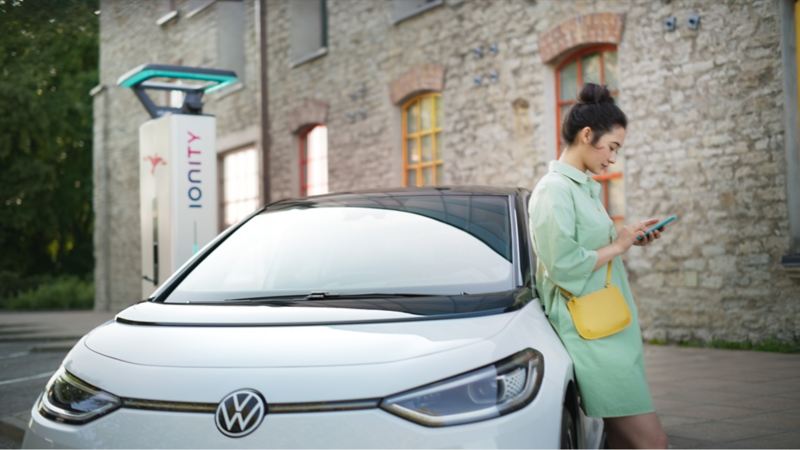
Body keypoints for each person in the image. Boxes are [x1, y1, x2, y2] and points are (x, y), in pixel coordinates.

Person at [528, 83, 669, 449]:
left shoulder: (582, 188)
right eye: (612, 148)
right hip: (590, 333)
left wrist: (627, 239)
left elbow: (594, 251)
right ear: (587, 135)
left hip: (610, 327)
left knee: (622, 442)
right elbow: (562, 266)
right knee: (652, 443)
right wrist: (619, 244)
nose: (612, 159)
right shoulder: (554, 190)